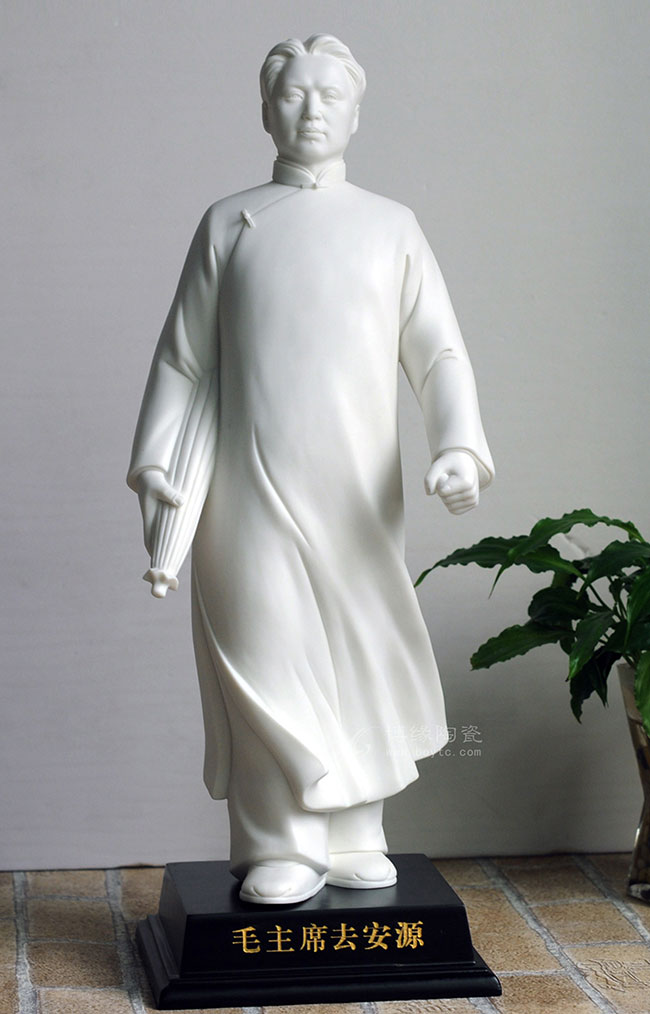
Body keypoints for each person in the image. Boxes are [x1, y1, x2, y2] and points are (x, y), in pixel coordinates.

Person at [128, 34, 494, 905]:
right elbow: (182, 358)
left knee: (357, 658)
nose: (312, 110)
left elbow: (438, 352)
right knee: (265, 661)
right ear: (266, 110)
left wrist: (456, 444)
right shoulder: (229, 223)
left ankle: (357, 827)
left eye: (331, 95)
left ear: (358, 111)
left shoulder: (391, 226)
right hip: (244, 497)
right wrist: (157, 459)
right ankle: (279, 842)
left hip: (357, 497)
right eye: (292, 94)